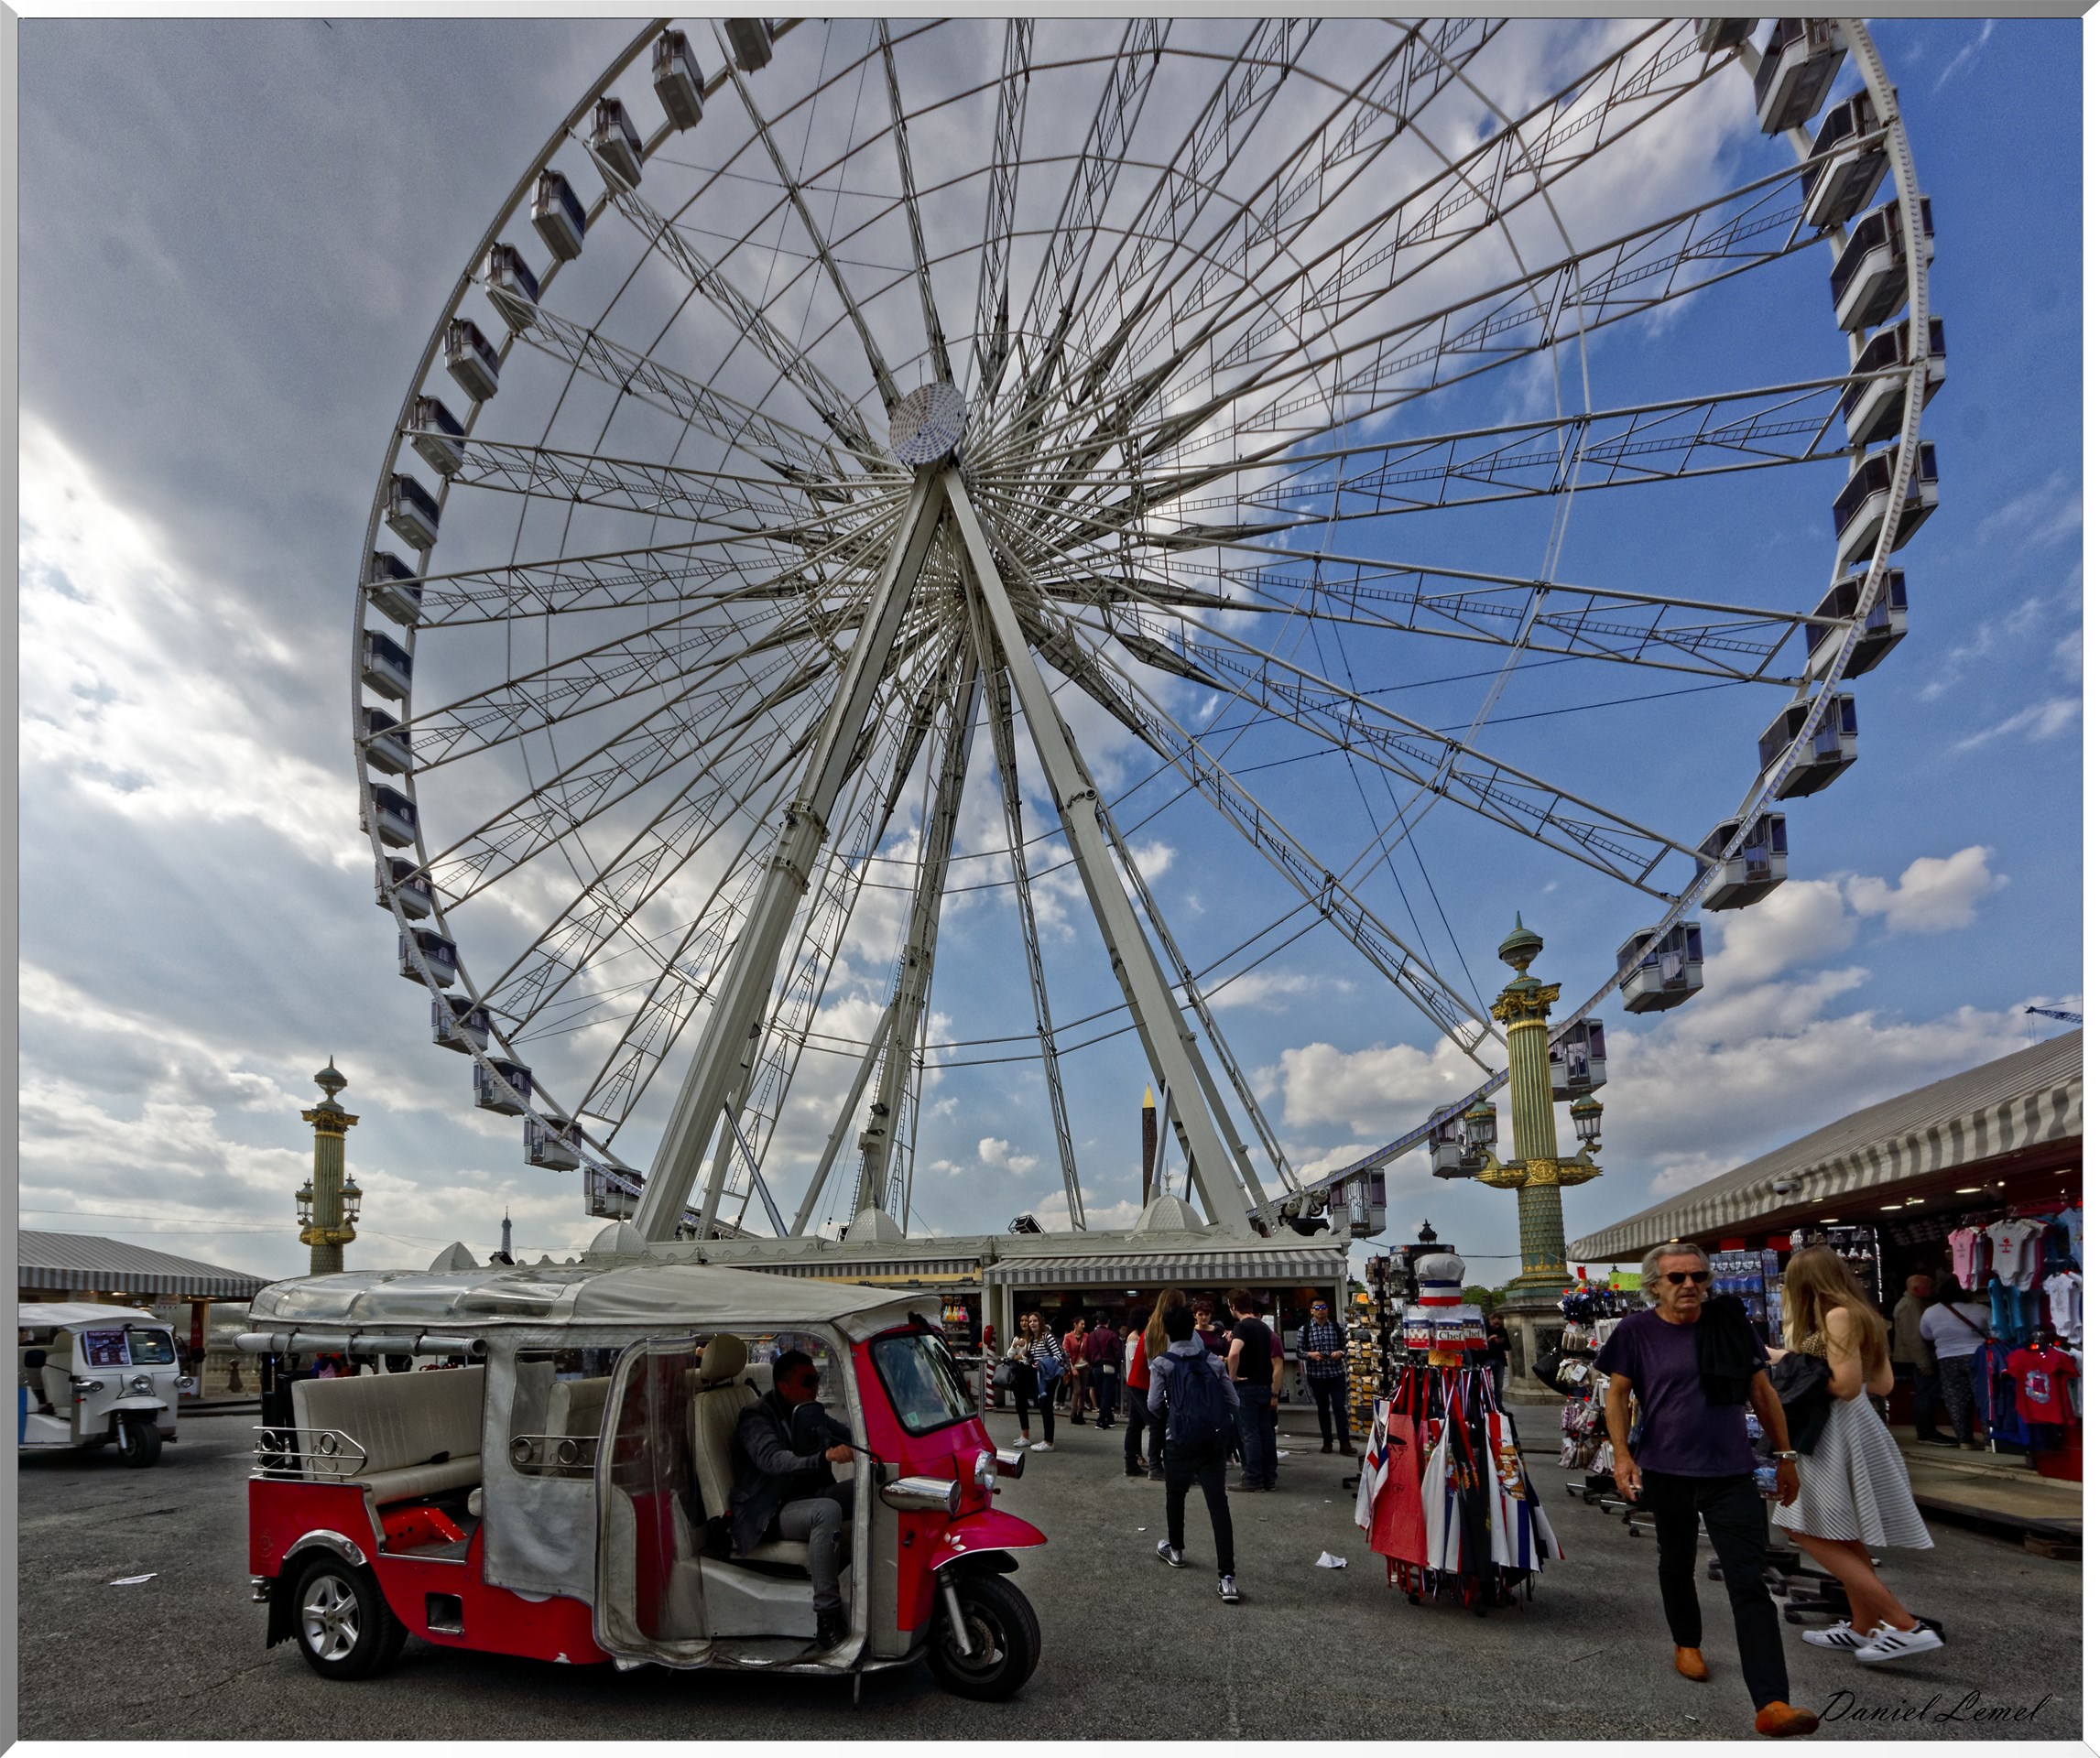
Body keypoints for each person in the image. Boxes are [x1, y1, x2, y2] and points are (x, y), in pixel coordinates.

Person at [1600, 1243, 1821, 1740]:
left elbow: (1762, 1393)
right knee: (1675, 1561)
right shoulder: (1637, 1331)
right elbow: (1617, 1394)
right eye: (1676, 1278)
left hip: (1729, 1472)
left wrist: (1784, 1457)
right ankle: (1687, 1641)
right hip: (1666, 1468)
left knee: (1748, 1580)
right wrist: (1622, 1455)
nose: (1690, 1287)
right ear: (1654, 1285)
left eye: (1698, 1277)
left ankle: (1772, 1702)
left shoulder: (1728, 1323)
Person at [1773, 1245, 1940, 1664]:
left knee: (1804, 1527)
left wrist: (1792, 1370)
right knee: (1840, 1533)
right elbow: (1880, 1384)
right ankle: (1863, 1626)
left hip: (1834, 1429)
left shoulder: (1837, 1316)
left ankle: (1904, 1626)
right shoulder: (1861, 1313)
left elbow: (1844, 1385)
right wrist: (1794, 1361)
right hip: (1854, 1424)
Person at [729, 1348, 857, 1650]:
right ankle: (827, 1617)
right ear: (784, 1386)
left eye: (817, 1379)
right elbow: (774, 1460)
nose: (815, 1386)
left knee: (873, 1488)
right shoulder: (757, 1417)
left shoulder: (808, 1410)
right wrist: (823, 1457)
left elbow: (849, 1435)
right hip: (770, 1511)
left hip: (808, 1494)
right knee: (827, 1510)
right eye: (808, 1380)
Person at [1149, 1302, 1242, 1603]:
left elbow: (1153, 1405)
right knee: (1219, 1505)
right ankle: (1227, 1577)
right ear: (1193, 1327)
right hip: (1213, 1442)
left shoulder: (1162, 1363)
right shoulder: (1213, 1361)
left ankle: (1175, 1549)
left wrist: (1175, 1415)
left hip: (1179, 1441)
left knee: (1175, 1496)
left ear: (1167, 1331)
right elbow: (1233, 1401)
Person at [1918, 1279, 1989, 1449]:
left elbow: (1926, 1335)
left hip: (1947, 1358)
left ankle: (1964, 1440)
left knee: (1955, 1400)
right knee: (1984, 1397)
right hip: (1978, 1356)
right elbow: (1997, 1330)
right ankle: (1989, 1440)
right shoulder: (1980, 1309)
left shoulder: (1930, 1312)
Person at [1224, 1289, 1280, 1491]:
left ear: (1232, 1305)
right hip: (1264, 1385)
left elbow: (1234, 1354)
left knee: (1249, 1434)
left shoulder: (1241, 1327)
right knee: (1265, 1432)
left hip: (1246, 1387)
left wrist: (1232, 1377)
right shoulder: (1264, 1327)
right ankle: (1269, 1478)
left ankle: (1252, 1478)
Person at [1889, 1273, 1951, 1444]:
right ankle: (1926, 1432)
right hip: (1918, 1358)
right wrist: (1923, 1362)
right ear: (1917, 1289)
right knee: (1926, 1394)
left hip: (1916, 1357)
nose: (1933, 1289)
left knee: (1926, 1393)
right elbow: (1913, 1337)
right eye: (1929, 1286)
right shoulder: (1911, 1307)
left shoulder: (1916, 1304)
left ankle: (1927, 1431)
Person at [1130, 1290, 1185, 1480]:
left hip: (1139, 1381)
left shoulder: (1152, 1328)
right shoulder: (1167, 1328)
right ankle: (1155, 1467)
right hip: (1145, 1383)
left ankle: (1132, 1464)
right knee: (1157, 1424)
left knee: (1136, 1424)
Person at [1297, 1297, 1350, 1453]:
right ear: (1312, 1311)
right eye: (1317, 1308)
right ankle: (1327, 1442)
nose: (1321, 1311)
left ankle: (1345, 1442)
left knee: (1340, 1407)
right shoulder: (1304, 1329)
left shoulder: (1336, 1327)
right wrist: (1311, 1355)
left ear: (1328, 1309)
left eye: (1323, 1307)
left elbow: (1346, 1347)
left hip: (1336, 1373)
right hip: (1317, 1375)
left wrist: (1340, 1353)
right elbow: (1299, 1352)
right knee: (1323, 1409)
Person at [1013, 1312, 1066, 1452]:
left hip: (1049, 1376)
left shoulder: (1047, 1337)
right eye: (1030, 1321)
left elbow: (1058, 1356)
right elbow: (1031, 1358)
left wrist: (1042, 1363)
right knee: (1043, 1406)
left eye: (1035, 1321)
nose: (1032, 1323)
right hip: (1039, 1377)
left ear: (1041, 1322)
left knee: (1046, 1406)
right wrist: (1028, 1357)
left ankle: (1049, 1442)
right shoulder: (1032, 1340)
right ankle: (1047, 1440)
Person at [1084, 1314, 1121, 1430]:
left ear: (1097, 1322)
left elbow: (1086, 1352)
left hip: (1095, 1367)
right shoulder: (1112, 1335)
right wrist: (1117, 1365)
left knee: (1102, 1393)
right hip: (1109, 1366)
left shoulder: (1091, 1336)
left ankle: (1109, 1419)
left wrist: (1092, 1363)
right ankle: (1101, 1420)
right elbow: (1117, 1353)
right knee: (1107, 1394)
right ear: (1108, 1322)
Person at [1063, 1314, 1092, 1424]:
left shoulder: (1086, 1336)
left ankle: (1081, 1413)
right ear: (1075, 1325)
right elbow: (1066, 1354)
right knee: (1077, 1390)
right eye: (1081, 1324)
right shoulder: (1068, 1337)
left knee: (1083, 1391)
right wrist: (1072, 1368)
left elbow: (1089, 1349)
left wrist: (1089, 1363)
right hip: (1074, 1366)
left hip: (1084, 1365)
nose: (1083, 1326)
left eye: (1084, 1324)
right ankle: (1073, 1414)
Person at [1484, 1315, 1512, 1409]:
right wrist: (1490, 1339)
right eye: (1495, 1323)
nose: (1497, 1326)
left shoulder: (1502, 1330)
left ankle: (1498, 1405)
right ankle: (1488, 1404)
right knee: (1486, 1383)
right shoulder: (1484, 1329)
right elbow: (1480, 1345)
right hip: (1487, 1358)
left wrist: (1501, 1342)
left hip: (1499, 1359)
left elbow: (1508, 1346)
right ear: (1490, 1320)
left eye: (1499, 1324)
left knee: (1499, 1384)